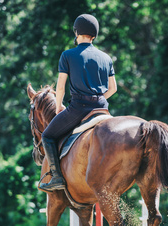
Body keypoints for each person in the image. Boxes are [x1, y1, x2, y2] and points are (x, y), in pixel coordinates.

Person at [39, 14, 117, 191]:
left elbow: (60, 88)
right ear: (94, 35)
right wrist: (99, 99)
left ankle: (57, 177)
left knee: (47, 136)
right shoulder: (106, 57)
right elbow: (113, 88)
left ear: (76, 32)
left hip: (79, 108)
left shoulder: (67, 55)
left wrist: (59, 106)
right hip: (102, 109)